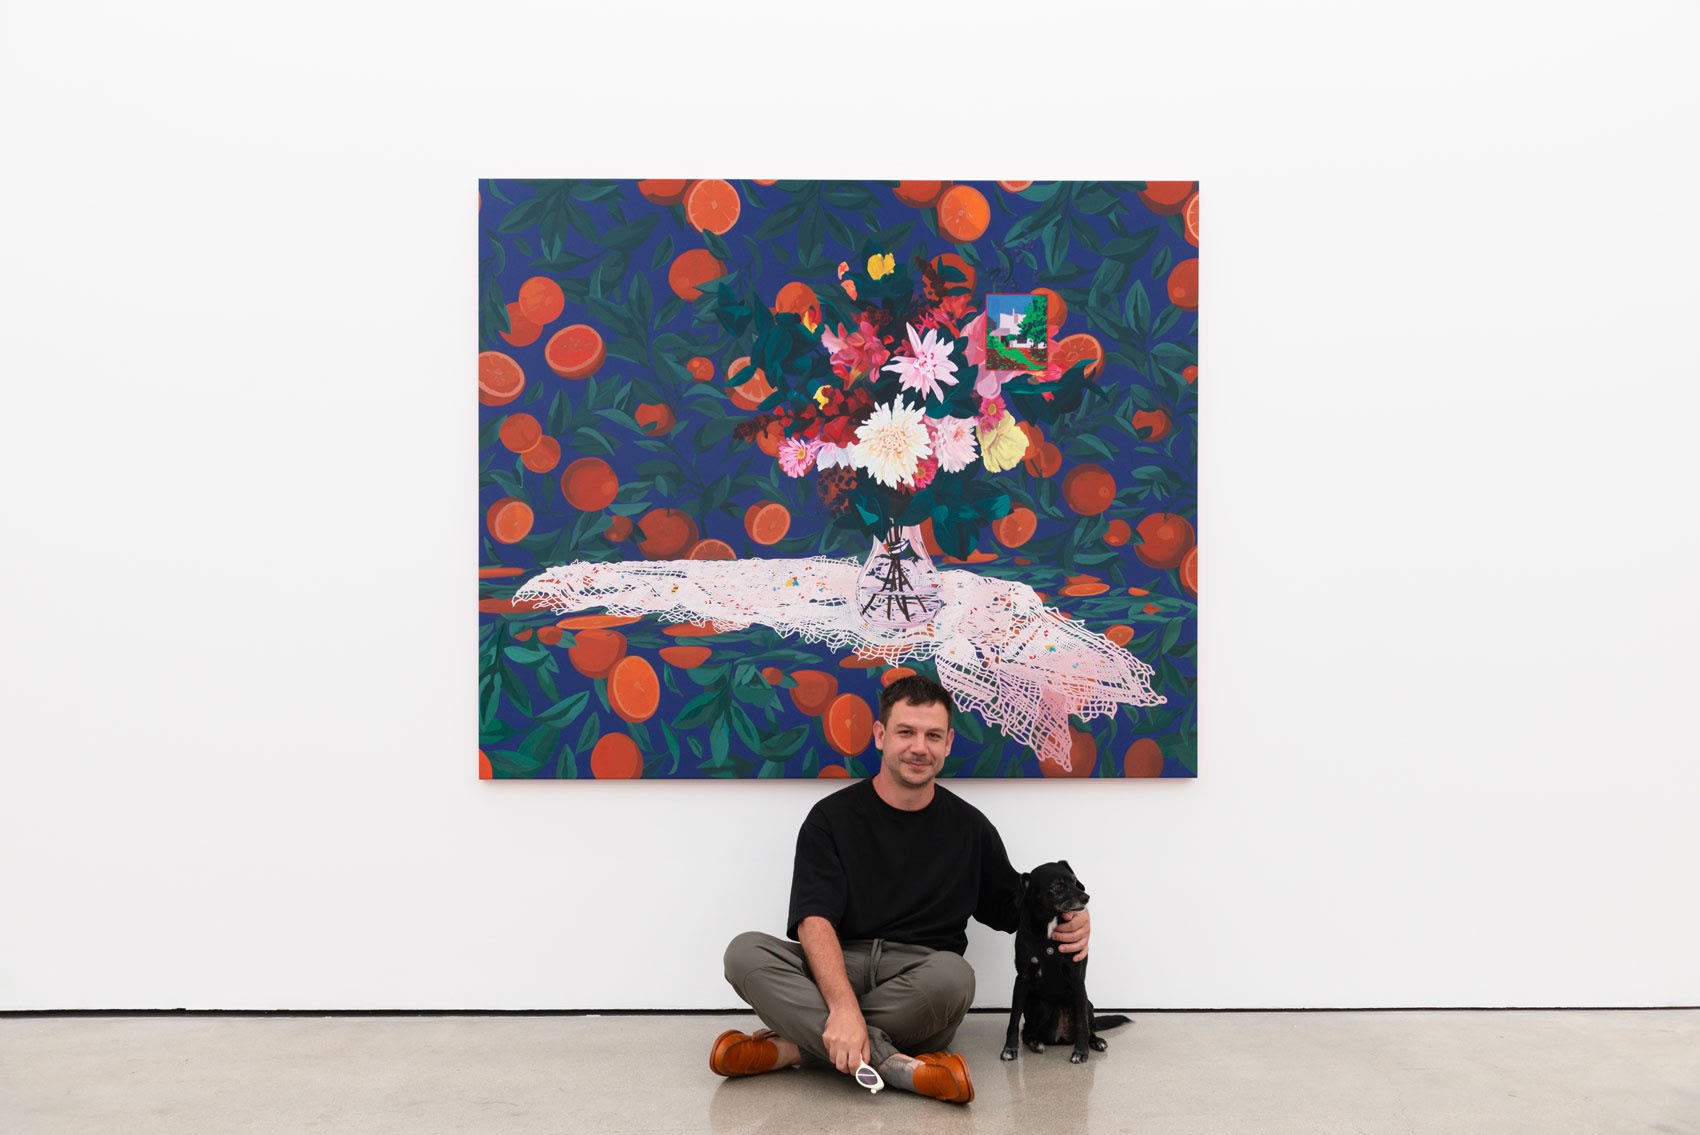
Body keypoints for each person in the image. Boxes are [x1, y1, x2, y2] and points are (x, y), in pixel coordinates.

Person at [711, 674, 1091, 1105]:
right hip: (839, 965)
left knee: (956, 978)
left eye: (932, 735)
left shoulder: (970, 828)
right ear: (880, 736)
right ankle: (896, 1064)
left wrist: (1071, 912)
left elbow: (1014, 909)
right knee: (744, 952)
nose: (918, 747)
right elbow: (813, 920)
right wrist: (841, 1006)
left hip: (921, 980)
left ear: (948, 743)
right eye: (905, 732)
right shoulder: (831, 818)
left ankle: (792, 1047)